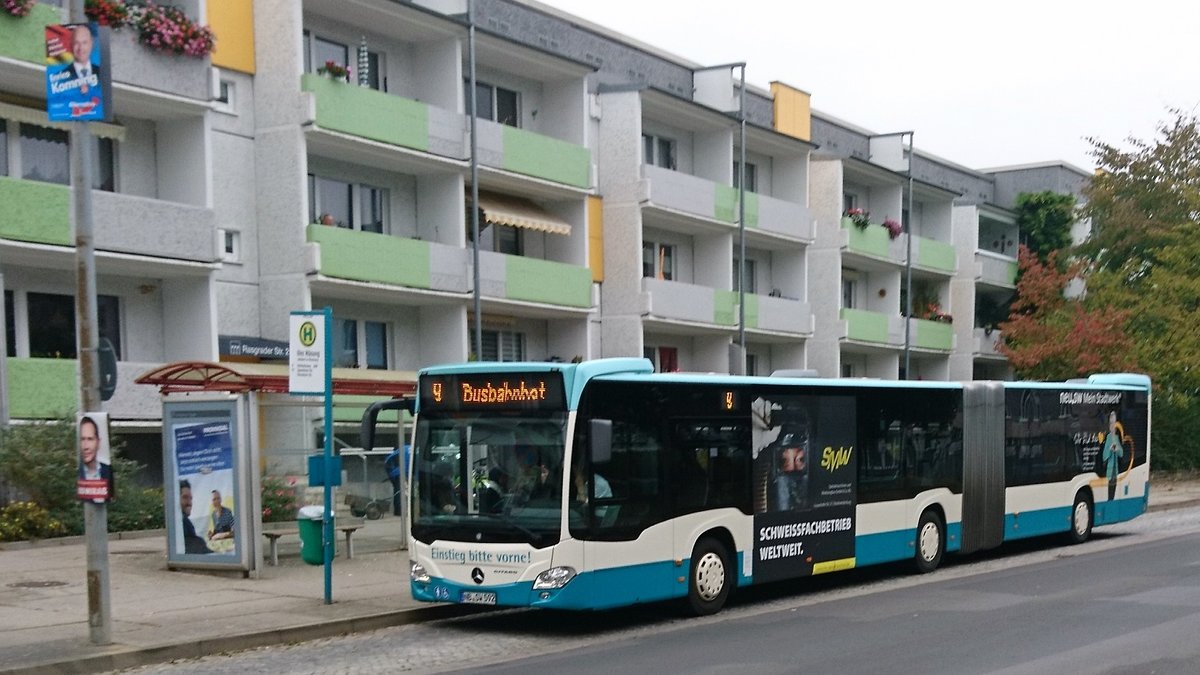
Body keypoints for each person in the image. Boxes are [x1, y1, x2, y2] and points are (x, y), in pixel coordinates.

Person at [179, 480, 211, 554]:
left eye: (190, 498)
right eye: (185, 497)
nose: (189, 502)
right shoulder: (179, 523)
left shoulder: (185, 521)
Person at [68, 24, 100, 95]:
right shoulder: (60, 77)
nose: (80, 48)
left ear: (91, 44)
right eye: (76, 43)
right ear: (71, 45)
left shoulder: (102, 74)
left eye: (84, 43)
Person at [78, 415, 112, 483]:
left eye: (90, 439)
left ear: (98, 443)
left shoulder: (108, 471)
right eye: (82, 439)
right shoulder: (75, 472)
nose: (86, 447)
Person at [1102, 411, 1126, 501]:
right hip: (1109, 469)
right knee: (1109, 491)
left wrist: (1117, 450)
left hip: (1115, 470)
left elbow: (1121, 453)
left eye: (1114, 422)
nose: (1113, 425)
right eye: (1111, 423)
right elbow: (1104, 456)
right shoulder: (1108, 437)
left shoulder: (1116, 437)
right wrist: (1110, 450)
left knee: (1114, 490)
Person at [384, 448, 403, 516]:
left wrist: (390, 475)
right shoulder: (413, 448)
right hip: (410, 472)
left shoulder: (399, 450)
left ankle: (398, 511)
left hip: (398, 473)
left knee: (398, 492)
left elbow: (387, 461)